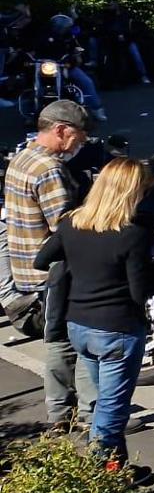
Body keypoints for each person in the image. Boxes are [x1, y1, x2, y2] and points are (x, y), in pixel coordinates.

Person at [33, 157, 154, 465]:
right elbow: (140, 292)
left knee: (105, 400)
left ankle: (117, 467)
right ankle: (100, 473)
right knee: (111, 410)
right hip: (117, 329)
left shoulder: (73, 222)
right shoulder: (133, 234)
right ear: (131, 193)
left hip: (79, 325)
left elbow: (41, 260)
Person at [6, 101, 94, 423]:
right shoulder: (49, 170)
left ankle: (63, 411)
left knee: (59, 338)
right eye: (79, 135)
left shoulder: (22, 158)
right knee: (72, 341)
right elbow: (65, 227)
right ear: (61, 130)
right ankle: (83, 413)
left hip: (26, 265)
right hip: (51, 271)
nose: (81, 142)